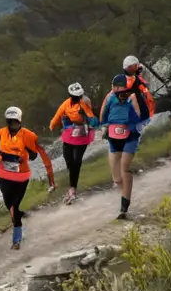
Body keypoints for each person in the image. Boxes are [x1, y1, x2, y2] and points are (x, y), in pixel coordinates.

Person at [0, 107, 56, 250]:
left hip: (21, 177)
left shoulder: (28, 135)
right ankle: (19, 214)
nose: (13, 125)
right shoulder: (0, 134)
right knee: (9, 205)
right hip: (4, 175)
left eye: (15, 122)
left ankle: (16, 238)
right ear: (7, 122)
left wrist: (25, 157)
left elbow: (36, 153)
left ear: (20, 121)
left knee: (13, 206)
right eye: (10, 122)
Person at [100, 74, 143, 220]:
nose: (118, 90)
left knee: (125, 167)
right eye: (115, 87)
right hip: (114, 136)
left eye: (120, 88)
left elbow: (138, 118)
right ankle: (125, 193)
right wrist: (104, 127)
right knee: (117, 178)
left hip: (130, 136)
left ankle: (124, 205)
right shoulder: (110, 99)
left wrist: (129, 115)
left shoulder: (132, 99)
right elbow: (103, 116)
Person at [49, 82, 99, 205]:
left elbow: (92, 118)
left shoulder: (84, 104)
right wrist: (52, 125)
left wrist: (91, 119)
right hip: (69, 133)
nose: (78, 97)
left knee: (77, 161)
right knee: (69, 160)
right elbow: (58, 115)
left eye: (79, 95)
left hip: (82, 133)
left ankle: (72, 189)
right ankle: (72, 180)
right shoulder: (66, 104)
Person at [122, 55, 155, 133]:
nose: (138, 67)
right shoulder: (136, 80)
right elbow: (148, 96)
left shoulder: (121, 80)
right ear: (130, 67)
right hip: (141, 111)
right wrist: (151, 114)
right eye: (135, 65)